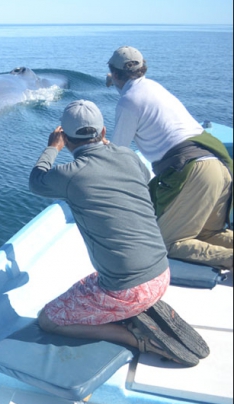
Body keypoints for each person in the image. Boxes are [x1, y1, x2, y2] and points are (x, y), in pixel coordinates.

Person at [29, 100, 198, 366]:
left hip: (127, 288)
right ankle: (137, 307)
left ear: (66, 140)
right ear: (104, 132)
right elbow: (142, 181)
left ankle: (136, 338)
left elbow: (36, 181)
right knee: (93, 281)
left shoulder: (70, 174)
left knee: (48, 319)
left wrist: (52, 147)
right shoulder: (128, 156)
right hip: (162, 274)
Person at [106, 46, 233, 270]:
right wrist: (117, 82)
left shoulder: (128, 101)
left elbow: (118, 153)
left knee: (167, 243)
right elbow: (134, 92)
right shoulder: (153, 87)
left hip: (194, 171)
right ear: (143, 67)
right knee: (208, 233)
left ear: (115, 74)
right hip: (219, 166)